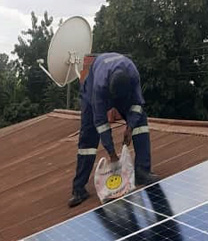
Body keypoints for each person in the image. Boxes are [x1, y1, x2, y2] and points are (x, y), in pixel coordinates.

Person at [68, 53, 160, 208]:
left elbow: (138, 103)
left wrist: (130, 127)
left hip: (123, 91)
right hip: (92, 92)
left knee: (141, 123)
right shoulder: (99, 87)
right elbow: (101, 123)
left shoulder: (133, 74)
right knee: (88, 140)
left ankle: (142, 172)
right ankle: (79, 189)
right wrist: (112, 153)